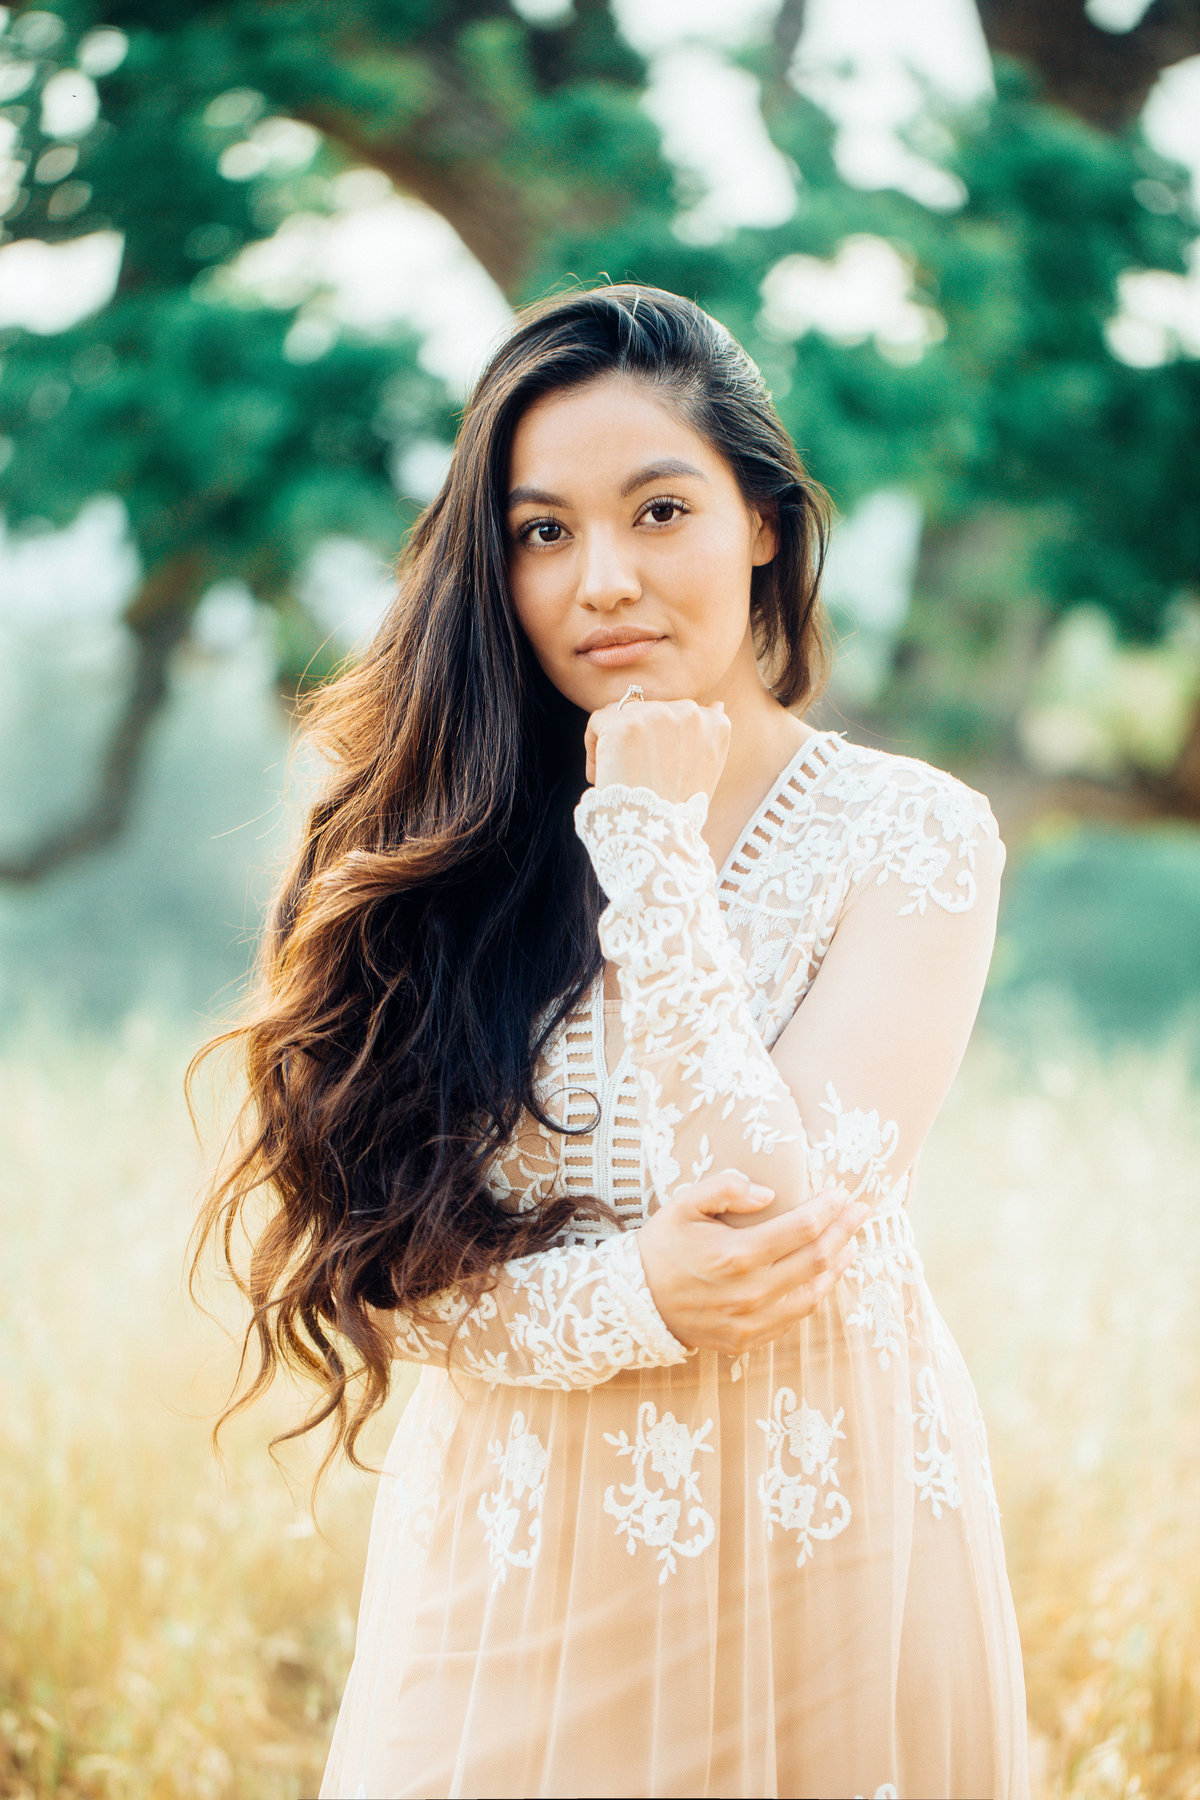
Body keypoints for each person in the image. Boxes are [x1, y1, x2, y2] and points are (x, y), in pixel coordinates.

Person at [197, 283, 1029, 1800]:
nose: (605, 582)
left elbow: (776, 1225)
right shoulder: (431, 843)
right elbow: (393, 1272)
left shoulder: (908, 837)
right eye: (542, 532)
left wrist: (647, 844)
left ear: (762, 522)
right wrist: (636, 1293)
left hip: (821, 1529)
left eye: (660, 512)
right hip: (519, 1545)